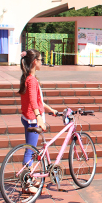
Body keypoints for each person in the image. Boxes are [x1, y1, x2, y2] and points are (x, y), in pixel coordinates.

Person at [18, 49, 58, 193]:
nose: (42, 63)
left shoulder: (27, 78)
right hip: (32, 120)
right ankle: (26, 183)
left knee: (31, 150)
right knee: (30, 151)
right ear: (35, 62)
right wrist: (39, 118)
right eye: (40, 60)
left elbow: (37, 102)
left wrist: (50, 109)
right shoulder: (31, 80)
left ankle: (29, 179)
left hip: (27, 117)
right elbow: (33, 102)